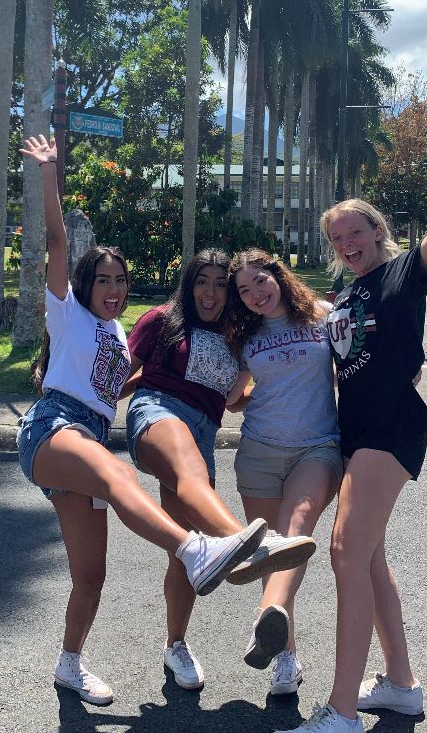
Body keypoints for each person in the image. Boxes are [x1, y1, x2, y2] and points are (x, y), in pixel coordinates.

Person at [271, 140, 427, 733]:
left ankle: (342, 717)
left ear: (378, 233)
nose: (347, 245)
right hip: (355, 435)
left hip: (389, 430)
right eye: (337, 239)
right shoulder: (345, 296)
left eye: (356, 233)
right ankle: (401, 686)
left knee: (346, 553)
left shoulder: (401, 276)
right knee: (370, 559)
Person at [15, 135, 270, 706]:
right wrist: (50, 175)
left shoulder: (114, 332)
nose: (112, 289)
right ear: (83, 285)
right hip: (54, 428)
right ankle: (196, 549)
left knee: (91, 575)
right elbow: (57, 239)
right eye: (102, 280)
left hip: (89, 435)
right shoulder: (68, 312)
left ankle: (68, 664)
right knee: (121, 477)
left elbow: (125, 382)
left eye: (120, 281)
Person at [124, 250, 317, 690]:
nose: (209, 293)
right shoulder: (160, 319)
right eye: (201, 282)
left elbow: (234, 397)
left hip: (203, 433)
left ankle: (175, 645)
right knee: (192, 481)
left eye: (219, 284)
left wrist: (283, 394)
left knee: (186, 549)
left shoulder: (236, 334)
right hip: (159, 413)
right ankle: (255, 545)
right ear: (188, 285)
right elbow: (124, 377)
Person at [224, 249, 342, 697]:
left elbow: (354, 364)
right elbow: (235, 398)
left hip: (318, 448)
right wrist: (266, 398)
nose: (256, 294)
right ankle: (286, 659)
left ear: (278, 274)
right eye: (245, 290)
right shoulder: (245, 337)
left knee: (294, 534)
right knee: (273, 551)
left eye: (261, 281)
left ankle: (266, 616)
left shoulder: (323, 315)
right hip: (258, 454)